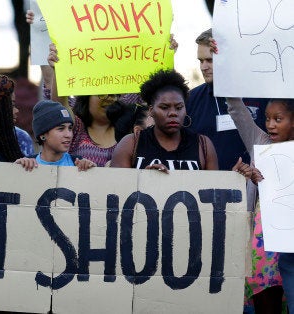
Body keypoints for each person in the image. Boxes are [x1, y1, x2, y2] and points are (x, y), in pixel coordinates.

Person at [226, 96, 292, 313]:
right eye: (267, 118)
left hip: (289, 236)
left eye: (278, 119)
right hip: (262, 240)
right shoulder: (260, 142)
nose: (270, 124)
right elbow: (237, 110)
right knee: (265, 299)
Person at [186, 28, 268, 170]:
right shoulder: (190, 99)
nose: (203, 67)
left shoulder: (261, 94)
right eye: (201, 61)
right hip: (210, 187)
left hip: (256, 185)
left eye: (210, 60)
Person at [110, 69, 218, 171]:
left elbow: (214, 188)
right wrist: (144, 179)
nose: (173, 113)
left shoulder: (203, 145)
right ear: (151, 110)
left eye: (179, 107)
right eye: (164, 107)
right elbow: (118, 187)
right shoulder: (130, 144)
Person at [14, 100, 96, 171]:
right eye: (61, 128)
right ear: (42, 134)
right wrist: (18, 169)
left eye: (70, 128)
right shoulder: (28, 164)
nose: (68, 135)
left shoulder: (78, 164)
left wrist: (91, 170)